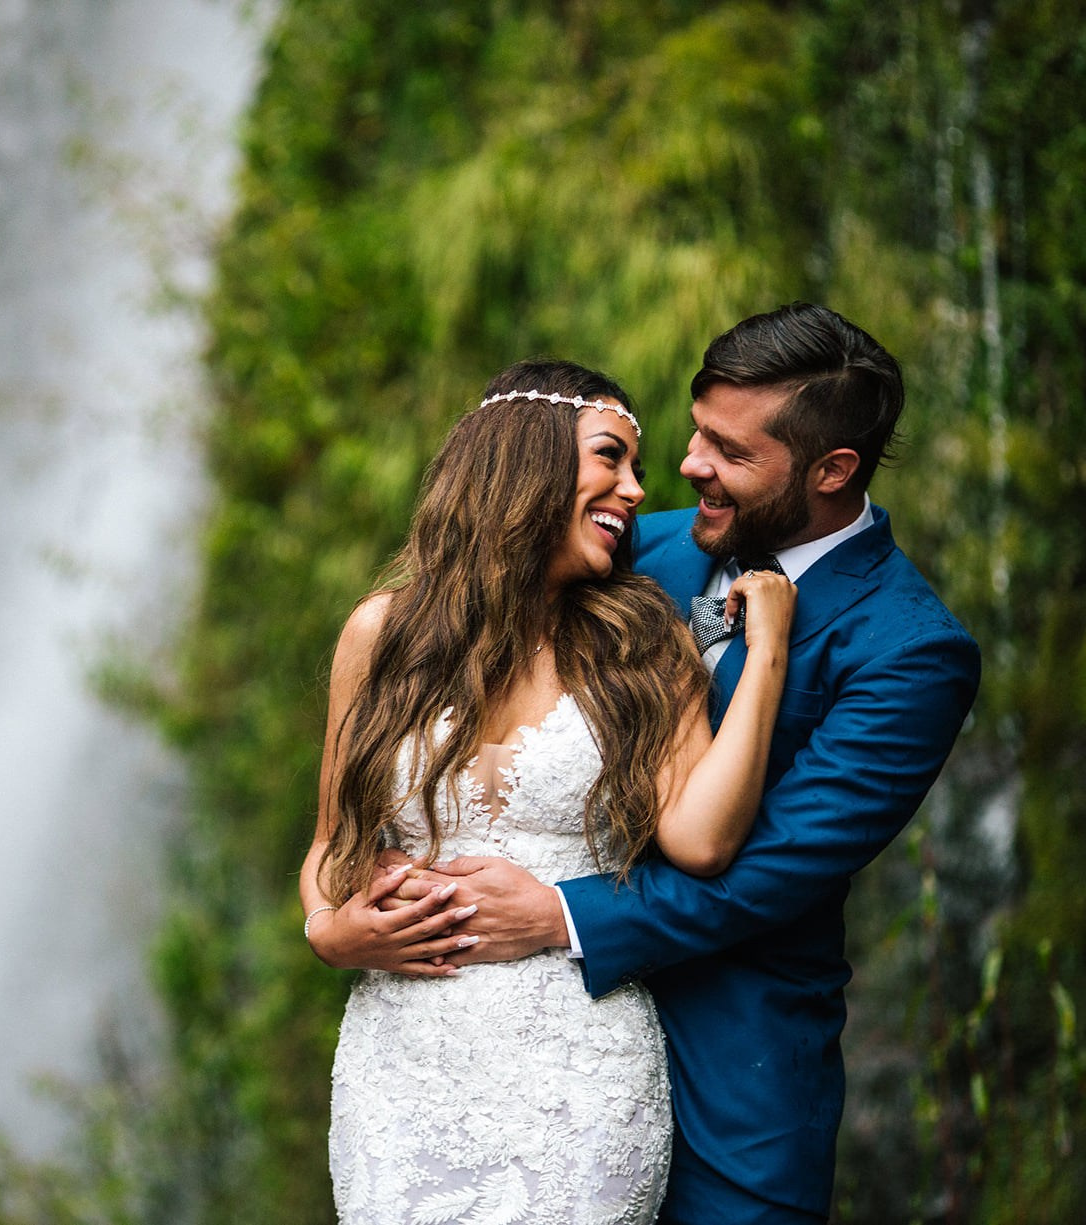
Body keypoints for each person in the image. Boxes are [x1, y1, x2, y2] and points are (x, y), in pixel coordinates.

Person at [365, 304, 982, 1222]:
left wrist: (555, 913)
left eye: (729, 452)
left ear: (832, 469)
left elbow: (768, 874)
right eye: (696, 434)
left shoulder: (910, 649)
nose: (690, 466)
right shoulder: (632, 546)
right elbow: (457, 675)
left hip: (732, 1084)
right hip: (510, 1057)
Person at [300, 358, 798, 1224]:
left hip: (577, 1072)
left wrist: (767, 656)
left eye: (637, 468)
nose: (637, 490)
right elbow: (330, 849)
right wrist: (331, 930)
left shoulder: (637, 642)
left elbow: (705, 840)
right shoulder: (379, 634)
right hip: (402, 1073)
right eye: (612, 457)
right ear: (524, 458)